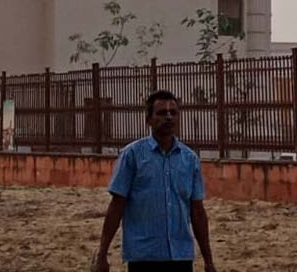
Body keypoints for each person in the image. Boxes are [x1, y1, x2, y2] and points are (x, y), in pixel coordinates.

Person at [92, 90, 216, 272]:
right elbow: (117, 205)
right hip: (144, 257)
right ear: (148, 119)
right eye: (161, 112)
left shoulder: (190, 160)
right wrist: (102, 253)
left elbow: (197, 211)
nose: (168, 117)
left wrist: (208, 261)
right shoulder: (132, 156)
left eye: (173, 113)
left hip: (180, 256)